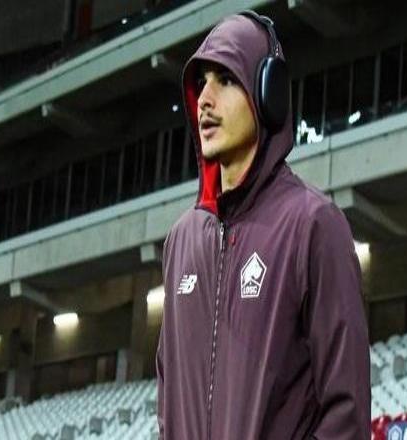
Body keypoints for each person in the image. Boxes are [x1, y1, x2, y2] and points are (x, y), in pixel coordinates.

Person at [156, 10, 371, 440]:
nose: (205, 100)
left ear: (268, 94)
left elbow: (346, 412)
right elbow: (168, 397)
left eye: (225, 79)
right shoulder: (180, 240)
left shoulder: (314, 225)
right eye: (201, 83)